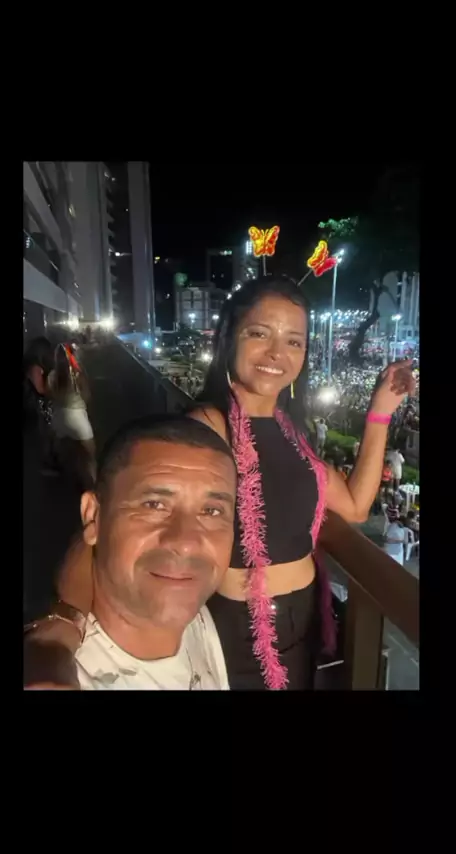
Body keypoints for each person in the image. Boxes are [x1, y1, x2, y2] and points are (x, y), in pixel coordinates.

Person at [37, 275, 415, 691]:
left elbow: (356, 506)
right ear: (230, 337)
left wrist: (380, 410)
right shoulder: (208, 428)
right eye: (259, 333)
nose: (277, 353)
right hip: (237, 631)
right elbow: (104, 529)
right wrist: (58, 631)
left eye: (294, 341)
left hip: (305, 620)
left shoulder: (293, 431)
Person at [24, 416, 237, 690]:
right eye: (154, 505)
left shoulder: (193, 611)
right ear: (93, 515)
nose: (186, 543)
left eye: (211, 511)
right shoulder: (60, 676)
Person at [48, 343, 96, 490]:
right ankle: (92, 487)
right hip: (78, 417)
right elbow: (87, 396)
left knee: (61, 454)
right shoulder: (77, 374)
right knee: (90, 456)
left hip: (59, 417)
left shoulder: (52, 375)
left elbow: (50, 396)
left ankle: (63, 483)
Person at [23, 336, 58, 474]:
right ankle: (48, 463)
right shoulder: (35, 368)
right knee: (46, 432)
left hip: (34, 407)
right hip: (35, 408)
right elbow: (40, 389)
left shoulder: (31, 365)